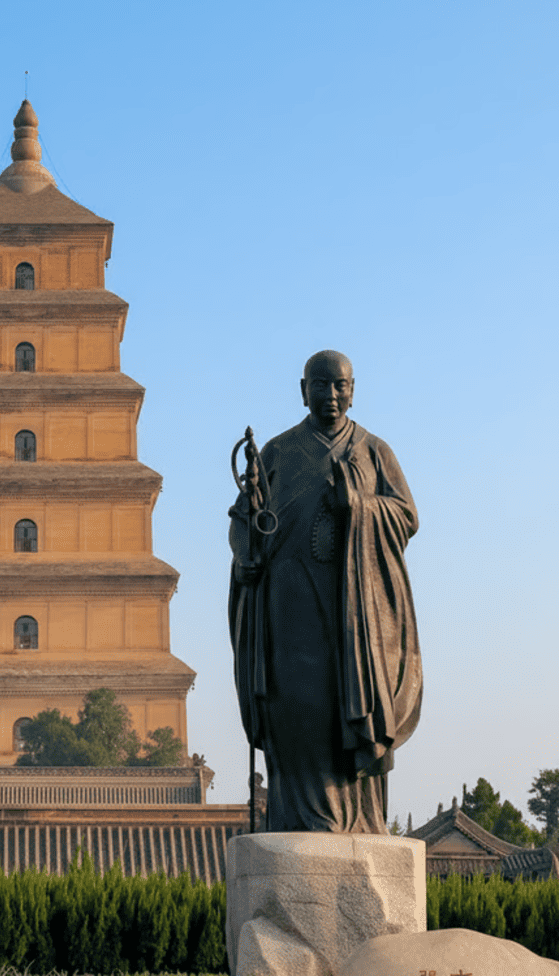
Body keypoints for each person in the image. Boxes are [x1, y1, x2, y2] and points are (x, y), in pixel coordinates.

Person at [228, 350, 422, 833]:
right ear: (303, 390)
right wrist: (249, 546)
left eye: (340, 386)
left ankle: (358, 818)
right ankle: (300, 818)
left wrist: (357, 505)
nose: (331, 395)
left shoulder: (374, 451)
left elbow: (406, 515)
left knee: (350, 706)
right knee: (296, 709)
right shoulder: (277, 451)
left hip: (355, 611)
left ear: (354, 391)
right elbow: (243, 522)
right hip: (290, 608)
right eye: (321, 385)